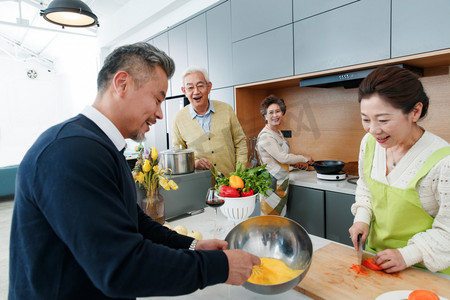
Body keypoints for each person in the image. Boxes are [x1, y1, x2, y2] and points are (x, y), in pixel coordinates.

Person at [9, 43, 260, 299]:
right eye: (157, 99)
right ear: (122, 83)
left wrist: (194, 246)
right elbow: (121, 267)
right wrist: (220, 267)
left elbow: (134, 222)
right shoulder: (69, 152)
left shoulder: (100, 147)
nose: (160, 114)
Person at [348, 65, 450, 274]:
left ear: (415, 111)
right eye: (366, 119)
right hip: (377, 261)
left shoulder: (443, 160)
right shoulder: (369, 143)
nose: (373, 130)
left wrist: (408, 254)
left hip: (427, 271)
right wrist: (362, 220)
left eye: (383, 120)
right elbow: (366, 187)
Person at [172, 66, 247, 177]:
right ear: (184, 91)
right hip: (199, 183)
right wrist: (195, 163)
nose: (196, 92)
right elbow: (178, 155)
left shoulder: (226, 109)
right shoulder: (178, 119)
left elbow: (240, 143)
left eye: (200, 86)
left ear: (209, 87)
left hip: (231, 183)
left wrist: (239, 174)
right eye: (190, 88)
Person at [256, 95, 313, 217]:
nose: (275, 115)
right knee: (270, 221)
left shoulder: (278, 132)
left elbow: (278, 158)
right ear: (265, 116)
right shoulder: (266, 136)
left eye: (278, 111)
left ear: (282, 113)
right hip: (270, 184)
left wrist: (292, 163)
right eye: (271, 112)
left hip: (281, 182)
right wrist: (304, 158)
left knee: (280, 219)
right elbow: (283, 157)